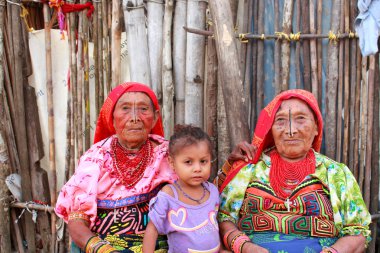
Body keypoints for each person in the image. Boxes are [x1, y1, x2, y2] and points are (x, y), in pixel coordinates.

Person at [217, 89, 371, 253]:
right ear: (271, 128)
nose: (291, 131)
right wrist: (245, 247)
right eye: (280, 120)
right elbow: (223, 218)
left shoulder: (336, 173)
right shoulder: (249, 170)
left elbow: (358, 233)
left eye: (301, 119)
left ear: (317, 127)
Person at [55, 82, 177, 253]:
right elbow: (77, 218)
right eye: (125, 108)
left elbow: (197, 194)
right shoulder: (95, 157)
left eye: (143, 109)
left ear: (155, 117)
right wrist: (102, 249)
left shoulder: (170, 155)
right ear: (111, 117)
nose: (135, 117)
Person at [143, 125, 221, 253]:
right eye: (188, 162)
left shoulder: (212, 191)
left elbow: (214, 227)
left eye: (203, 161)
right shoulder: (169, 195)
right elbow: (152, 230)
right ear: (172, 163)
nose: (197, 168)